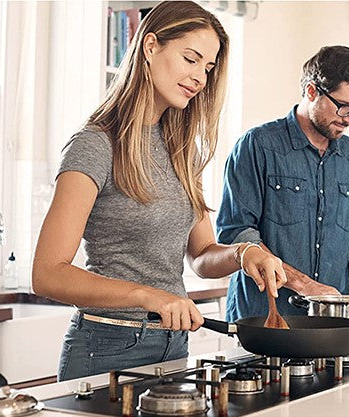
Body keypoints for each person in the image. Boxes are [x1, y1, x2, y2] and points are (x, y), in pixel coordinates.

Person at [32, 1, 286, 381]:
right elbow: (47, 273)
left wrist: (243, 252)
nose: (200, 77)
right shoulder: (96, 145)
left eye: (208, 67)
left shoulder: (183, 151)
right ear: (150, 47)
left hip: (173, 345)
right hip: (107, 346)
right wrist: (147, 296)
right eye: (191, 58)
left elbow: (200, 256)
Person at [216, 46, 349, 326]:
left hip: (332, 325)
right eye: (344, 106)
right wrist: (305, 286)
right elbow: (237, 234)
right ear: (312, 92)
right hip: (264, 321)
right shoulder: (257, 146)